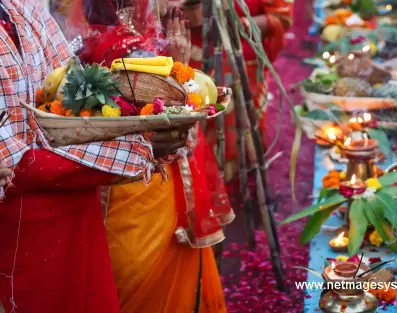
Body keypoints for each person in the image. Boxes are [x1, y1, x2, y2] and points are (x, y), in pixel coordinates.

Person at [0, 0, 191, 312]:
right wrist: (142, 147)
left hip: (79, 218)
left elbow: (71, 98)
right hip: (18, 239)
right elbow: (14, 162)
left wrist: (156, 117)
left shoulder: (25, 5)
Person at [66, 0, 233, 312]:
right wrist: (180, 69)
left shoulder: (81, 47)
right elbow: (176, 123)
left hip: (110, 194)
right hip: (146, 190)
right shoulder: (137, 52)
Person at [187, 0, 293, 181]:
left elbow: (281, 18)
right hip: (192, 57)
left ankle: (239, 173)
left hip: (241, 59)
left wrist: (239, 25)